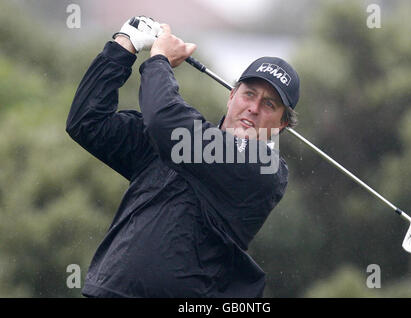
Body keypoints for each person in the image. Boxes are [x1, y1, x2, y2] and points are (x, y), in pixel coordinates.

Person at [66, 16, 300, 298]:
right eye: (249, 94)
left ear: (281, 125)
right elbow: (87, 122)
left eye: (269, 104)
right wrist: (124, 45)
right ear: (231, 96)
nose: (253, 107)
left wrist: (159, 60)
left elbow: (165, 122)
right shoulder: (177, 140)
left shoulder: (264, 169)